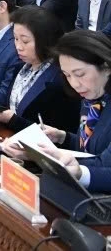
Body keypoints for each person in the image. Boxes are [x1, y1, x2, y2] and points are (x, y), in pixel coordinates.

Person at [0, 5, 77, 133]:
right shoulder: (21, 66)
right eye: (16, 39)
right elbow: (11, 109)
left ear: (45, 40)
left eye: (25, 41)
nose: (18, 46)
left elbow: (58, 133)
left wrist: (9, 119)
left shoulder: (59, 78)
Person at [28, 31, 111, 189]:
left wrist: (79, 173)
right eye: (67, 75)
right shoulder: (91, 96)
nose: (75, 84)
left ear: (106, 67)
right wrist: (63, 137)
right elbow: (91, 148)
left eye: (80, 74)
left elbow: (105, 163)